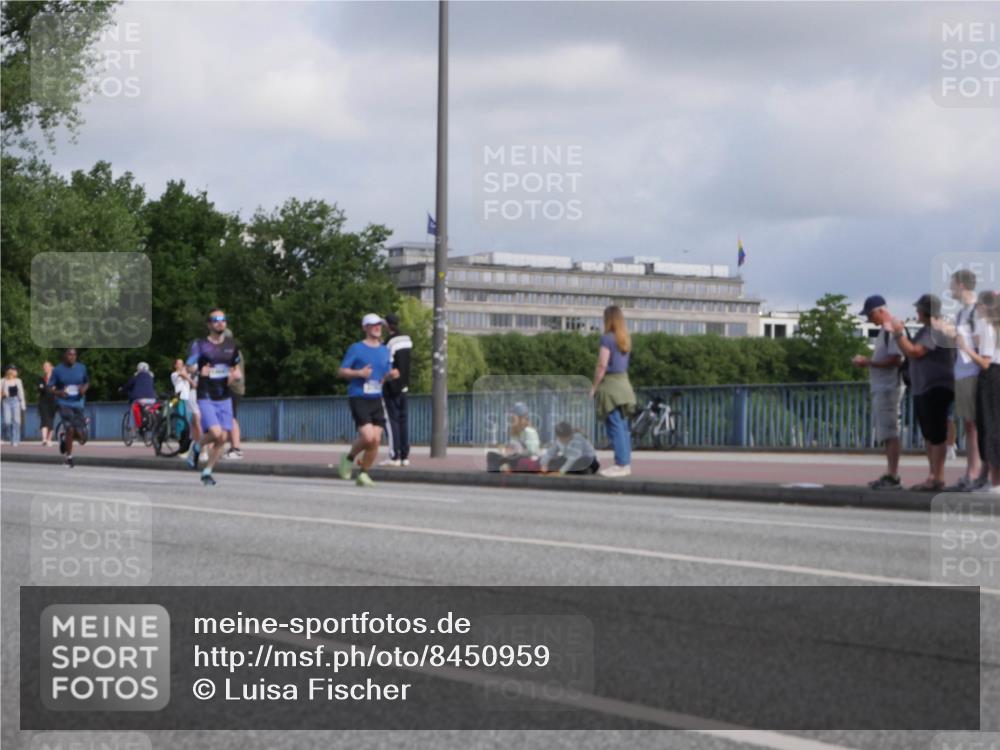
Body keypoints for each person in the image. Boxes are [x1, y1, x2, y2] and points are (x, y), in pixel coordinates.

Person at [888, 294, 956, 491]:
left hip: (935, 386)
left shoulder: (935, 329)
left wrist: (899, 333)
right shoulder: (931, 329)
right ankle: (933, 475)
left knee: (935, 435)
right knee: (930, 434)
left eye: (918, 309)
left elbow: (915, 352)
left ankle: (937, 478)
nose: (916, 312)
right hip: (926, 386)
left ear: (926, 311)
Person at [337, 314, 398, 487]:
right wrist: (359, 373)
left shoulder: (385, 350)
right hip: (359, 396)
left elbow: (384, 376)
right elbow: (341, 371)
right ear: (365, 328)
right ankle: (348, 458)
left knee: (376, 440)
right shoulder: (356, 348)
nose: (377, 327)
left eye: (379, 324)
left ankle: (363, 474)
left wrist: (391, 375)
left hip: (376, 398)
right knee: (368, 437)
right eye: (372, 325)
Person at [852, 295, 904, 490]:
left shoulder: (892, 328)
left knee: (890, 431)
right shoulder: (885, 330)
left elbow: (895, 359)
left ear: (881, 311)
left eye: (871, 315)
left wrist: (868, 362)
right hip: (883, 387)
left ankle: (893, 475)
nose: (869, 320)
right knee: (886, 432)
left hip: (889, 387)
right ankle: (891, 473)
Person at [186, 309, 242, 486]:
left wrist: (235, 376)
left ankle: (207, 472)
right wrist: (197, 370)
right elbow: (188, 367)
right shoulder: (200, 345)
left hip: (224, 396)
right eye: (215, 320)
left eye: (223, 319)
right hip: (206, 395)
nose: (220, 322)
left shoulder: (232, 346)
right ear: (209, 324)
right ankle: (196, 447)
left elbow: (236, 369)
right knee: (216, 433)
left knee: (222, 439)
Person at [949, 270, 987, 490]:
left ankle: (975, 472)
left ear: (961, 285)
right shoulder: (962, 312)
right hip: (962, 372)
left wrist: (959, 338)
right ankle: (972, 472)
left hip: (972, 372)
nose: (951, 289)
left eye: (952, 284)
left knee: (974, 425)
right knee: (969, 425)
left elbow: (982, 341)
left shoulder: (975, 311)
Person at [591, 305, 636, 477]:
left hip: (611, 386)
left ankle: (621, 464)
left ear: (608, 319)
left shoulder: (607, 338)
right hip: (624, 384)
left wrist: (594, 387)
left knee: (615, 425)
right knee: (623, 427)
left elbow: (602, 365)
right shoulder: (625, 339)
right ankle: (625, 463)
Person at [968, 291, 1000, 494]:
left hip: (991, 375)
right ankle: (992, 480)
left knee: (990, 426)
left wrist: (967, 348)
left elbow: (985, 361)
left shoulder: (988, 327)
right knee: (991, 426)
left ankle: (996, 481)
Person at [380, 313, 412, 467]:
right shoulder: (407, 339)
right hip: (404, 385)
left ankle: (394, 456)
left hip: (391, 386)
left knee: (392, 421)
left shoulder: (389, 342)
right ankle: (405, 456)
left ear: (387, 325)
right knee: (403, 420)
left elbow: (387, 364)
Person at [50, 348, 90, 468]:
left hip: (78, 403)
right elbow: (50, 387)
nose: (72, 357)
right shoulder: (57, 370)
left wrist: (84, 389)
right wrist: (59, 393)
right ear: (65, 356)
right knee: (70, 429)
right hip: (64, 403)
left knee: (81, 437)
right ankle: (69, 458)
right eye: (69, 354)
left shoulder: (81, 368)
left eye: (74, 355)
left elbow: (87, 382)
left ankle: (64, 438)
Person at [486, 402, 541, 472]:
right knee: (491, 455)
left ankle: (503, 469)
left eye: (513, 416)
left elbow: (532, 452)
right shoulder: (514, 432)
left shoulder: (529, 431)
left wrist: (517, 453)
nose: (511, 418)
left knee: (513, 460)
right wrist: (506, 450)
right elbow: (512, 447)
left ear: (521, 418)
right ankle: (497, 472)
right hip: (515, 458)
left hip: (526, 459)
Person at [222, 328, 244, 460]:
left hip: (233, 388)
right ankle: (232, 447)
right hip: (235, 388)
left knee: (231, 418)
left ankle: (236, 448)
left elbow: (234, 373)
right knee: (228, 418)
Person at [171, 357, 200, 451]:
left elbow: (192, 372)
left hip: (187, 398)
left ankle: (187, 439)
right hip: (179, 398)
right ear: (175, 366)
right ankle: (179, 436)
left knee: (189, 420)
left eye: (182, 363)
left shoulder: (186, 373)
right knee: (181, 419)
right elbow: (183, 374)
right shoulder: (174, 374)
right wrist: (191, 380)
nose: (181, 365)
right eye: (179, 364)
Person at [123, 362, 157, 431]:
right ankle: (149, 422)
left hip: (140, 399)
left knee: (133, 408)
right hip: (152, 399)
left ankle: (133, 428)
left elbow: (128, 385)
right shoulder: (151, 377)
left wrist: (122, 389)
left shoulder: (136, 376)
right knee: (149, 409)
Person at [1, 365, 27, 447]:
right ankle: (4, 435)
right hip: (6, 402)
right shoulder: (2, 381)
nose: (13, 371)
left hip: (16, 401)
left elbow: (21, 393)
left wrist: (23, 405)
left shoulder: (18, 381)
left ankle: (15, 440)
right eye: (12, 370)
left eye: (14, 370)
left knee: (16, 422)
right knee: (7, 421)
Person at [36, 361, 57, 447]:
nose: (45, 368)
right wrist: (45, 387)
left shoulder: (56, 379)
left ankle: (49, 439)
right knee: (44, 419)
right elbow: (40, 389)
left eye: (47, 366)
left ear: (52, 367)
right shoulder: (41, 379)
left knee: (51, 420)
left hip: (53, 401)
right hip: (43, 402)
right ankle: (44, 439)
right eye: (44, 366)